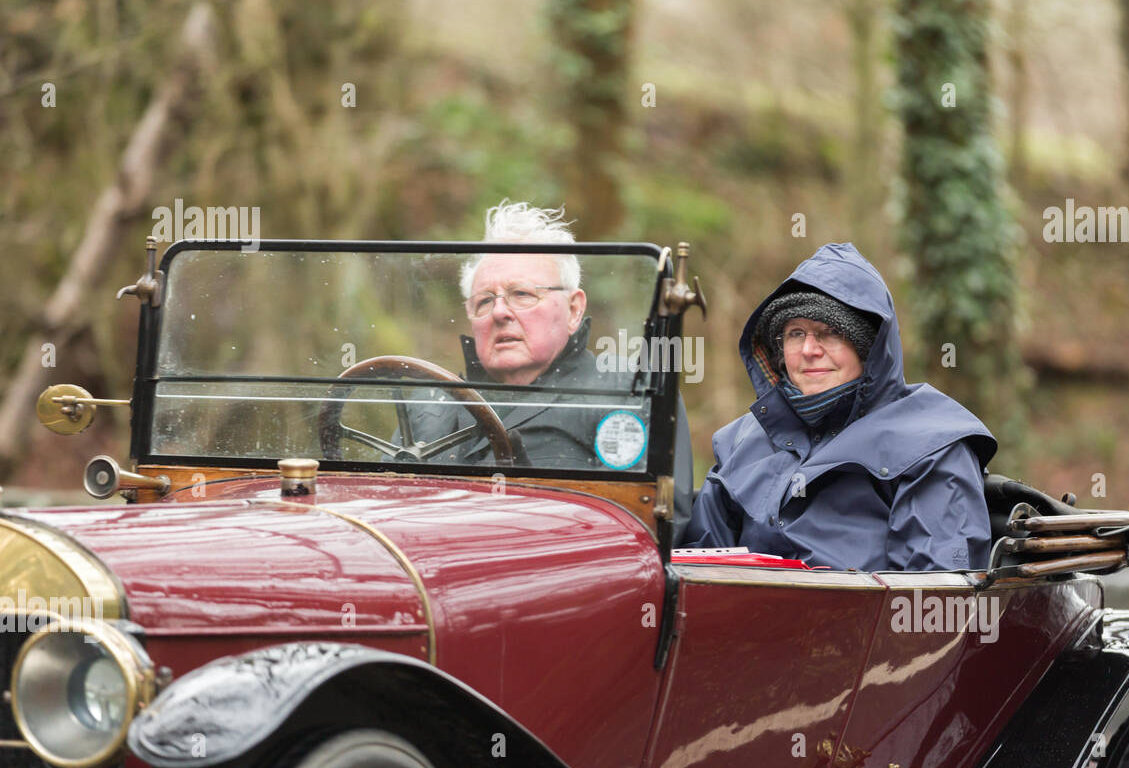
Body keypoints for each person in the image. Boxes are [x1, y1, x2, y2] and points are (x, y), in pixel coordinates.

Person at [681, 241, 997, 572]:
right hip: (740, 620)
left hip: (865, 623)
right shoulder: (739, 443)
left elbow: (936, 602)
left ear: (868, 347)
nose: (808, 349)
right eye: (794, 333)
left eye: (830, 332)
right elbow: (696, 571)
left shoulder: (934, 445)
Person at [400, 201, 693, 528]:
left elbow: (644, 532)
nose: (499, 312)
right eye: (484, 300)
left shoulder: (631, 396)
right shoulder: (426, 408)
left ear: (573, 310)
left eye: (522, 294)